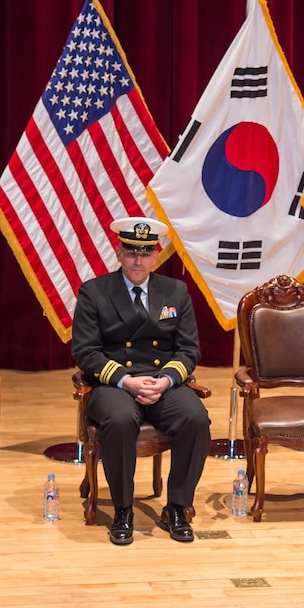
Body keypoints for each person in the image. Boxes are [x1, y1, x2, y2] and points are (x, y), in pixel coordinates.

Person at [71, 217, 210, 545]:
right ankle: (123, 508)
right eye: (131, 253)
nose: (137, 261)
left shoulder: (175, 291)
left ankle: (176, 506)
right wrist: (126, 381)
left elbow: (189, 348)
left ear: (155, 256)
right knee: (119, 420)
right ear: (119, 253)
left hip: (163, 381)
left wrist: (165, 380)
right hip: (115, 383)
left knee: (196, 418)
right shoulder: (95, 292)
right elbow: (86, 352)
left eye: (145, 254)